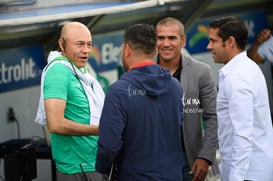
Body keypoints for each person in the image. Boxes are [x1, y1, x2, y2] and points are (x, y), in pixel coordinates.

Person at [95, 23, 184, 181]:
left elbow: (109, 145)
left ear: (127, 49)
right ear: (156, 50)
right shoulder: (175, 86)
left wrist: (103, 168)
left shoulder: (119, 91)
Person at [35, 21, 105, 181]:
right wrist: (99, 130)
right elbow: (56, 124)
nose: (86, 51)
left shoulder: (78, 69)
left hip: (92, 162)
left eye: (89, 45)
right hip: (77, 167)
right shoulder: (59, 72)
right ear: (62, 44)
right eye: (79, 44)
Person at [207, 16, 273, 181]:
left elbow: (242, 136)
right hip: (253, 171)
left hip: (247, 174)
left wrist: (235, 178)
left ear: (230, 42)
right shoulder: (246, 68)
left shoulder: (237, 78)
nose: (209, 46)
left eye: (213, 41)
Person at [156, 17, 218, 181]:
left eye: (172, 38)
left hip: (188, 161)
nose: (166, 43)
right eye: (161, 38)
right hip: (152, 162)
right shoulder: (144, 72)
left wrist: (206, 156)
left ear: (183, 41)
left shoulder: (201, 71)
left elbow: (213, 116)